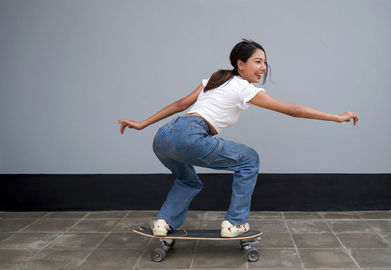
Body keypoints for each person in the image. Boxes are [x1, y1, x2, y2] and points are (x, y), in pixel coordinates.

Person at [118, 39, 359, 238]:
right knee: (249, 159)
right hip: (190, 135)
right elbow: (292, 109)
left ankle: (164, 222)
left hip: (163, 137)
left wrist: (143, 124)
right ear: (240, 64)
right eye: (257, 61)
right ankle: (234, 222)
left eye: (265, 62)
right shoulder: (243, 87)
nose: (263, 67)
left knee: (188, 180)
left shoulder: (212, 81)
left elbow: (182, 104)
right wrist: (336, 117)